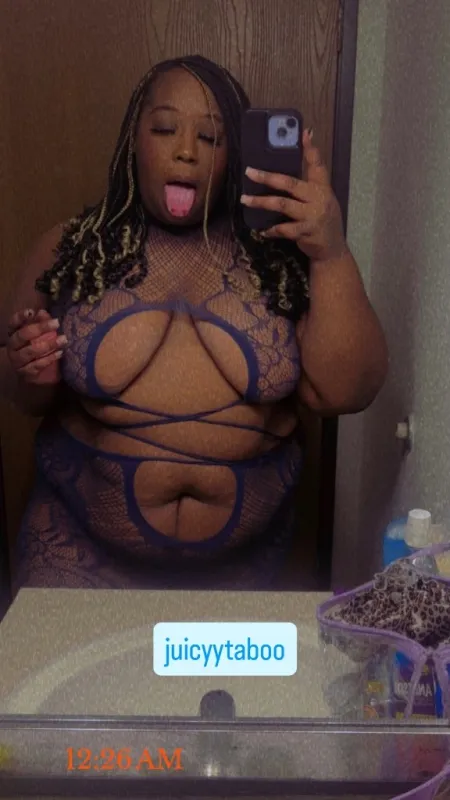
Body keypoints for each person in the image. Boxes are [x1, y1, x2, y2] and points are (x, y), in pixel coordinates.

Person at [0, 55, 388, 591]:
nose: (186, 150)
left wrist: (330, 250)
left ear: (236, 154)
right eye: (165, 129)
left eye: (210, 137)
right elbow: (20, 393)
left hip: (244, 570)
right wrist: (30, 371)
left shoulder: (281, 257)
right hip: (78, 555)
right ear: (133, 139)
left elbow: (346, 393)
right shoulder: (71, 248)